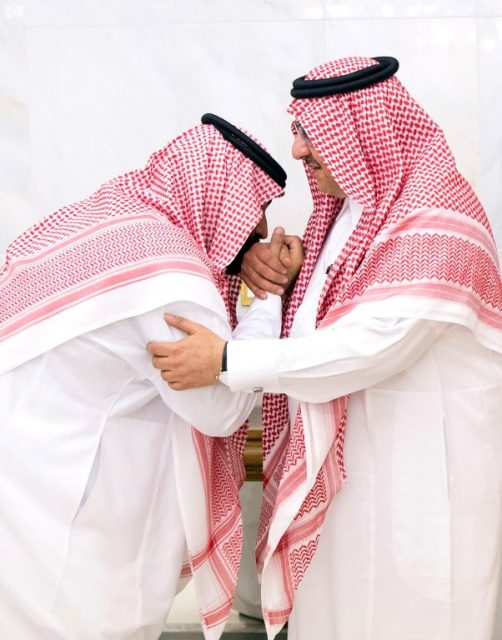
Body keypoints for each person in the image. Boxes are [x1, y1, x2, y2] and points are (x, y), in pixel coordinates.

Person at [147, 57, 502, 640]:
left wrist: (228, 361)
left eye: (311, 134)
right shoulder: (342, 216)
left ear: (366, 131)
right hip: (342, 489)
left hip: (419, 484)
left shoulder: (438, 219)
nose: (298, 151)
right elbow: (310, 328)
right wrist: (270, 285)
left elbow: (369, 345)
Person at [0, 113, 301, 640]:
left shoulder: (103, 218)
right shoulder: (169, 272)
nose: (253, 230)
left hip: (27, 472)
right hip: (71, 501)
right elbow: (221, 408)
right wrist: (267, 300)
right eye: (255, 209)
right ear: (221, 196)